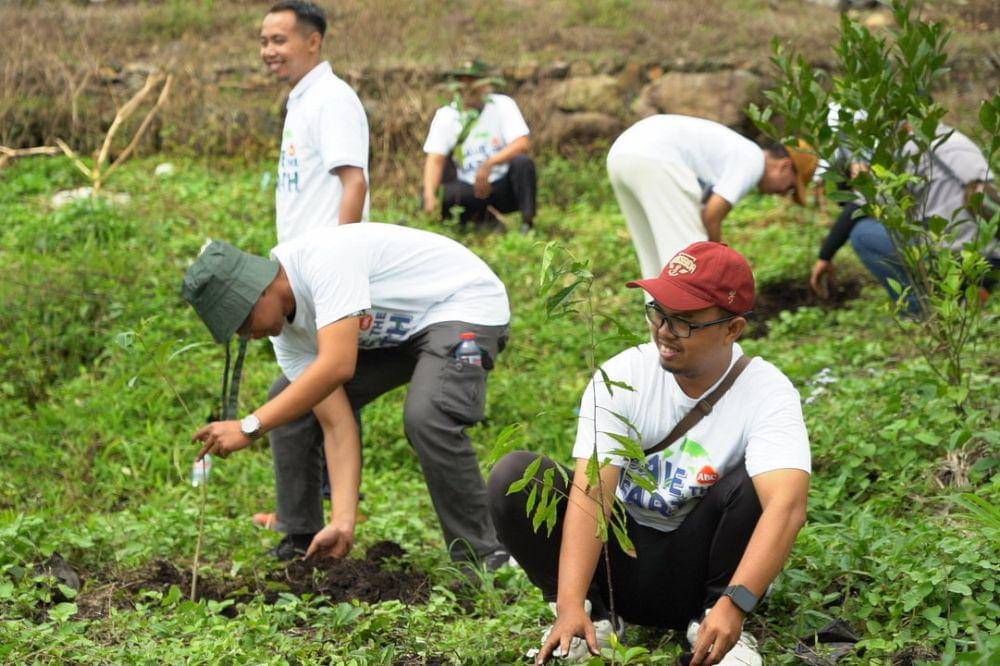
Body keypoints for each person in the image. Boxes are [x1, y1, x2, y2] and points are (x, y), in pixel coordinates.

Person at [488, 242, 811, 664]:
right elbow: (591, 496)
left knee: (763, 483)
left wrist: (737, 603)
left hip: (702, 570)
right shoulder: (623, 377)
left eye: (685, 321)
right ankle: (592, 621)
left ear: (732, 329)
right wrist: (570, 603)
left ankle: (715, 623)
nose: (663, 329)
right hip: (622, 565)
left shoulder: (767, 392)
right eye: (659, 312)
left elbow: (787, 507)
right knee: (515, 474)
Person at [182, 223, 512, 569]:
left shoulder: (324, 260)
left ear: (258, 290)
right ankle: (302, 538)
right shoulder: (288, 340)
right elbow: (337, 423)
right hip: (402, 335)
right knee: (291, 398)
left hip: (461, 305)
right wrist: (343, 520)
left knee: (427, 415)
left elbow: (338, 365)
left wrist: (250, 426)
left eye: (242, 321)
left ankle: (484, 555)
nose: (246, 335)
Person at [256, 0, 371, 533]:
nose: (268, 52)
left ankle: (310, 522)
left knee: (307, 398)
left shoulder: (332, 99)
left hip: (327, 280)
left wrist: (347, 276)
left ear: (313, 41)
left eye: (279, 40)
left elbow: (355, 184)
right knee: (299, 399)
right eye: (263, 42)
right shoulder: (301, 102)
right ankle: (302, 520)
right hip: (300, 280)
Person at [810, 124, 998, 315]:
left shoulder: (904, 151)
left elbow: (859, 205)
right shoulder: (957, 138)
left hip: (949, 255)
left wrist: (825, 256)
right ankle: (969, 292)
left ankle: (922, 311)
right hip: (987, 253)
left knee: (862, 234)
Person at [607, 114, 817, 278]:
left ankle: (661, 332)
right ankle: (690, 331)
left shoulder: (736, 149)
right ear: (784, 166)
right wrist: (720, 264)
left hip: (622, 153)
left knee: (655, 264)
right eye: (789, 187)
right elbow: (711, 216)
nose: (783, 194)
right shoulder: (752, 160)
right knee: (690, 263)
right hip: (658, 157)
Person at [422, 60, 536, 234]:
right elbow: (435, 159)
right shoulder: (446, 115)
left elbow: (522, 143)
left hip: (502, 183)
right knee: (443, 194)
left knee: (523, 163)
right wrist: (429, 196)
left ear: (485, 84)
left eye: (473, 81)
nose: (468, 87)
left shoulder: (502, 105)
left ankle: (527, 222)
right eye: (462, 81)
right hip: (468, 186)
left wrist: (489, 164)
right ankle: (478, 222)